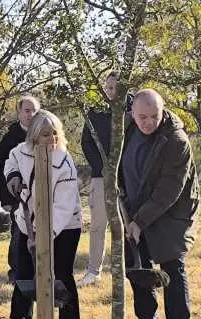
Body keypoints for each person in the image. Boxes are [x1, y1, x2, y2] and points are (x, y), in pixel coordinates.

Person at [119, 88, 198, 319]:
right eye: (142, 116)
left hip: (170, 214)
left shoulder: (176, 140)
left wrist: (139, 221)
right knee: (137, 267)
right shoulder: (127, 131)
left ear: (163, 111)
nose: (148, 122)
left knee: (172, 272)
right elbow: (118, 168)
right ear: (132, 112)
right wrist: (129, 215)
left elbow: (169, 189)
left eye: (154, 116)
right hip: (134, 211)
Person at [3, 110, 83, 319]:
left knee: (62, 275)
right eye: (45, 135)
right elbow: (10, 162)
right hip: (27, 223)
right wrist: (13, 177)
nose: (51, 139)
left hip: (64, 228)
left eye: (55, 134)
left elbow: (63, 206)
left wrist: (44, 237)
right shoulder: (21, 151)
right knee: (24, 273)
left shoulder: (64, 162)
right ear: (34, 137)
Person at [78, 72, 118, 287]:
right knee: (98, 226)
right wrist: (102, 168)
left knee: (126, 225)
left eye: (116, 88)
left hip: (126, 177)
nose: (112, 92)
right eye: (109, 87)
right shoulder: (95, 112)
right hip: (100, 177)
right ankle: (93, 271)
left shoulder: (132, 110)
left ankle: (131, 267)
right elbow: (86, 142)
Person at [0, 95, 40, 284]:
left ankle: (36, 270)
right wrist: (6, 198)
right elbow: (1, 170)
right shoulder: (10, 138)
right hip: (17, 197)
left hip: (40, 195)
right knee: (18, 234)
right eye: (27, 110)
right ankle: (15, 272)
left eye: (34, 111)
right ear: (19, 112)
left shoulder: (43, 133)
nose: (31, 114)